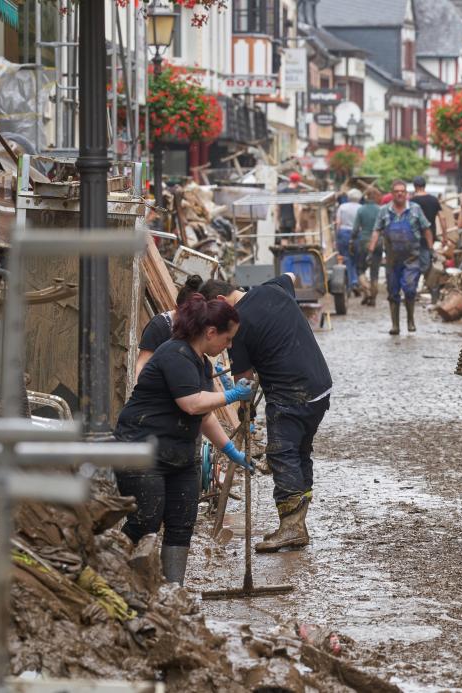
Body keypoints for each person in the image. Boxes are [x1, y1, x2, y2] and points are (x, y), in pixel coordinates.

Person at [114, 294, 254, 585]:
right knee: (146, 520)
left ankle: (172, 590)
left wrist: (230, 451)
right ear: (210, 332)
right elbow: (192, 403)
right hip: (142, 450)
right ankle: (111, 571)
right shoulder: (174, 354)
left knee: (181, 524)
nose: (228, 347)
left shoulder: (200, 363)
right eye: (227, 340)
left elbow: (204, 417)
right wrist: (231, 395)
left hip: (178, 454)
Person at [200, 274, 333, 552]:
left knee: (282, 453)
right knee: (299, 453)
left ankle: (292, 527)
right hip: (319, 387)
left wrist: (244, 412)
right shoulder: (273, 287)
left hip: (290, 395)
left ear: (223, 301)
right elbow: (291, 276)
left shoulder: (238, 328)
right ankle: (297, 523)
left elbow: (244, 383)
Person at [370, 180, 433, 335]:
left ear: (406, 194)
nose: (399, 193)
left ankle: (410, 320)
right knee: (393, 292)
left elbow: (426, 229)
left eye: (402, 191)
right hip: (392, 260)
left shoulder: (415, 209)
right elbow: (377, 230)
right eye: (396, 191)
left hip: (412, 258)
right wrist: (371, 249)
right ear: (392, 194)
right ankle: (395, 325)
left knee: (410, 289)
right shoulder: (384, 211)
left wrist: (431, 249)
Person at [354, 186, 384, 306]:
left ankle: (366, 290)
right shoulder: (381, 210)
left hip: (364, 241)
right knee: (375, 271)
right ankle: (373, 296)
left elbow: (356, 228)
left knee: (360, 269)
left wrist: (352, 239)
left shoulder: (361, 210)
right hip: (378, 242)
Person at [335, 188, 363, 291]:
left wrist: (337, 237)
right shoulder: (361, 208)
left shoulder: (342, 207)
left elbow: (338, 223)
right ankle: (355, 281)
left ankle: (350, 283)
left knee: (346, 258)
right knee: (356, 258)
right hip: (357, 234)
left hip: (344, 233)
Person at [277, 172, 302, 240]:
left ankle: (283, 251)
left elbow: (278, 207)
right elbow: (296, 207)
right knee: (295, 240)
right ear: (297, 181)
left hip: (283, 220)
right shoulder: (295, 192)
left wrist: (278, 220)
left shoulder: (282, 192)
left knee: (284, 239)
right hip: (292, 220)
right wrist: (298, 223)